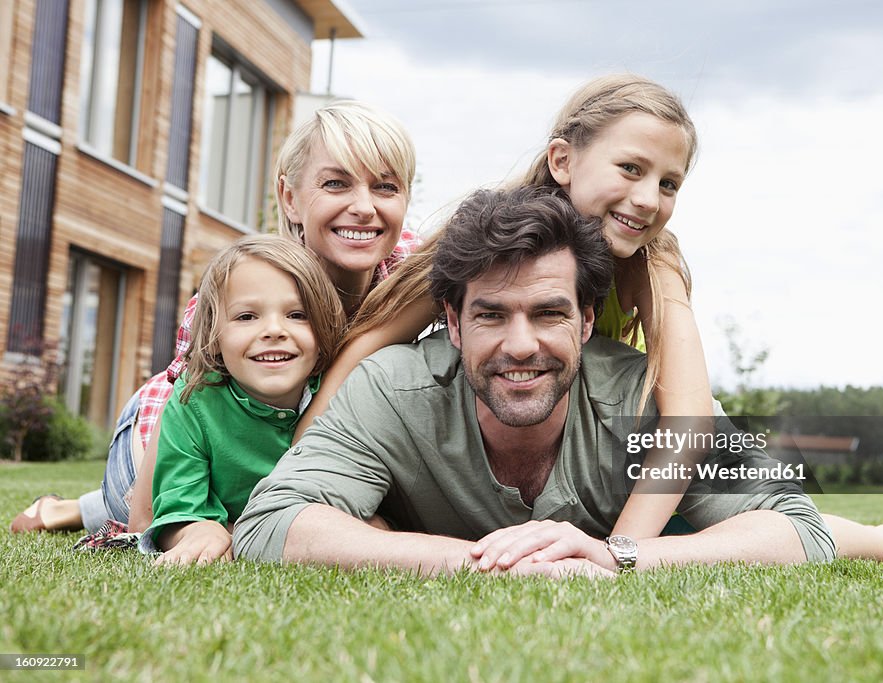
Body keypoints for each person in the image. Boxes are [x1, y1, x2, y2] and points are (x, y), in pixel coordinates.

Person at [294, 74, 883, 568]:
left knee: (731, 522)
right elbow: (371, 340)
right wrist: (297, 457)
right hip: (507, 423)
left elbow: (687, 413)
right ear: (563, 160)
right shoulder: (485, 244)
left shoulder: (654, 262)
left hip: (618, 432)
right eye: (630, 168)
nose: (648, 197)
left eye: (669, 183)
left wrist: (619, 551)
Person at [233, 186, 836, 575]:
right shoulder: (392, 388)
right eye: (491, 314)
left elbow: (799, 527)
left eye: (549, 313)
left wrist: (612, 556)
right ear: (452, 323)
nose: (521, 345)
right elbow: (271, 523)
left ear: (586, 321)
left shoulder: (641, 396)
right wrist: (474, 561)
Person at [9, 100, 419, 536]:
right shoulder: (241, 288)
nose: (363, 207)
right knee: (186, 508)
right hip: (173, 432)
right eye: (335, 184)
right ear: (290, 198)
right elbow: (182, 408)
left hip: (271, 442)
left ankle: (80, 507)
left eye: (385, 187)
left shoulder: (413, 271)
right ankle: (84, 508)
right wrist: (146, 518)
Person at [145, 235, 344, 565]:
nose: (274, 330)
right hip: (140, 438)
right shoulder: (193, 399)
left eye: (297, 314)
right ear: (213, 335)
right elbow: (174, 510)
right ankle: (70, 508)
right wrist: (197, 530)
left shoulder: (342, 395)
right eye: (246, 317)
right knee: (117, 503)